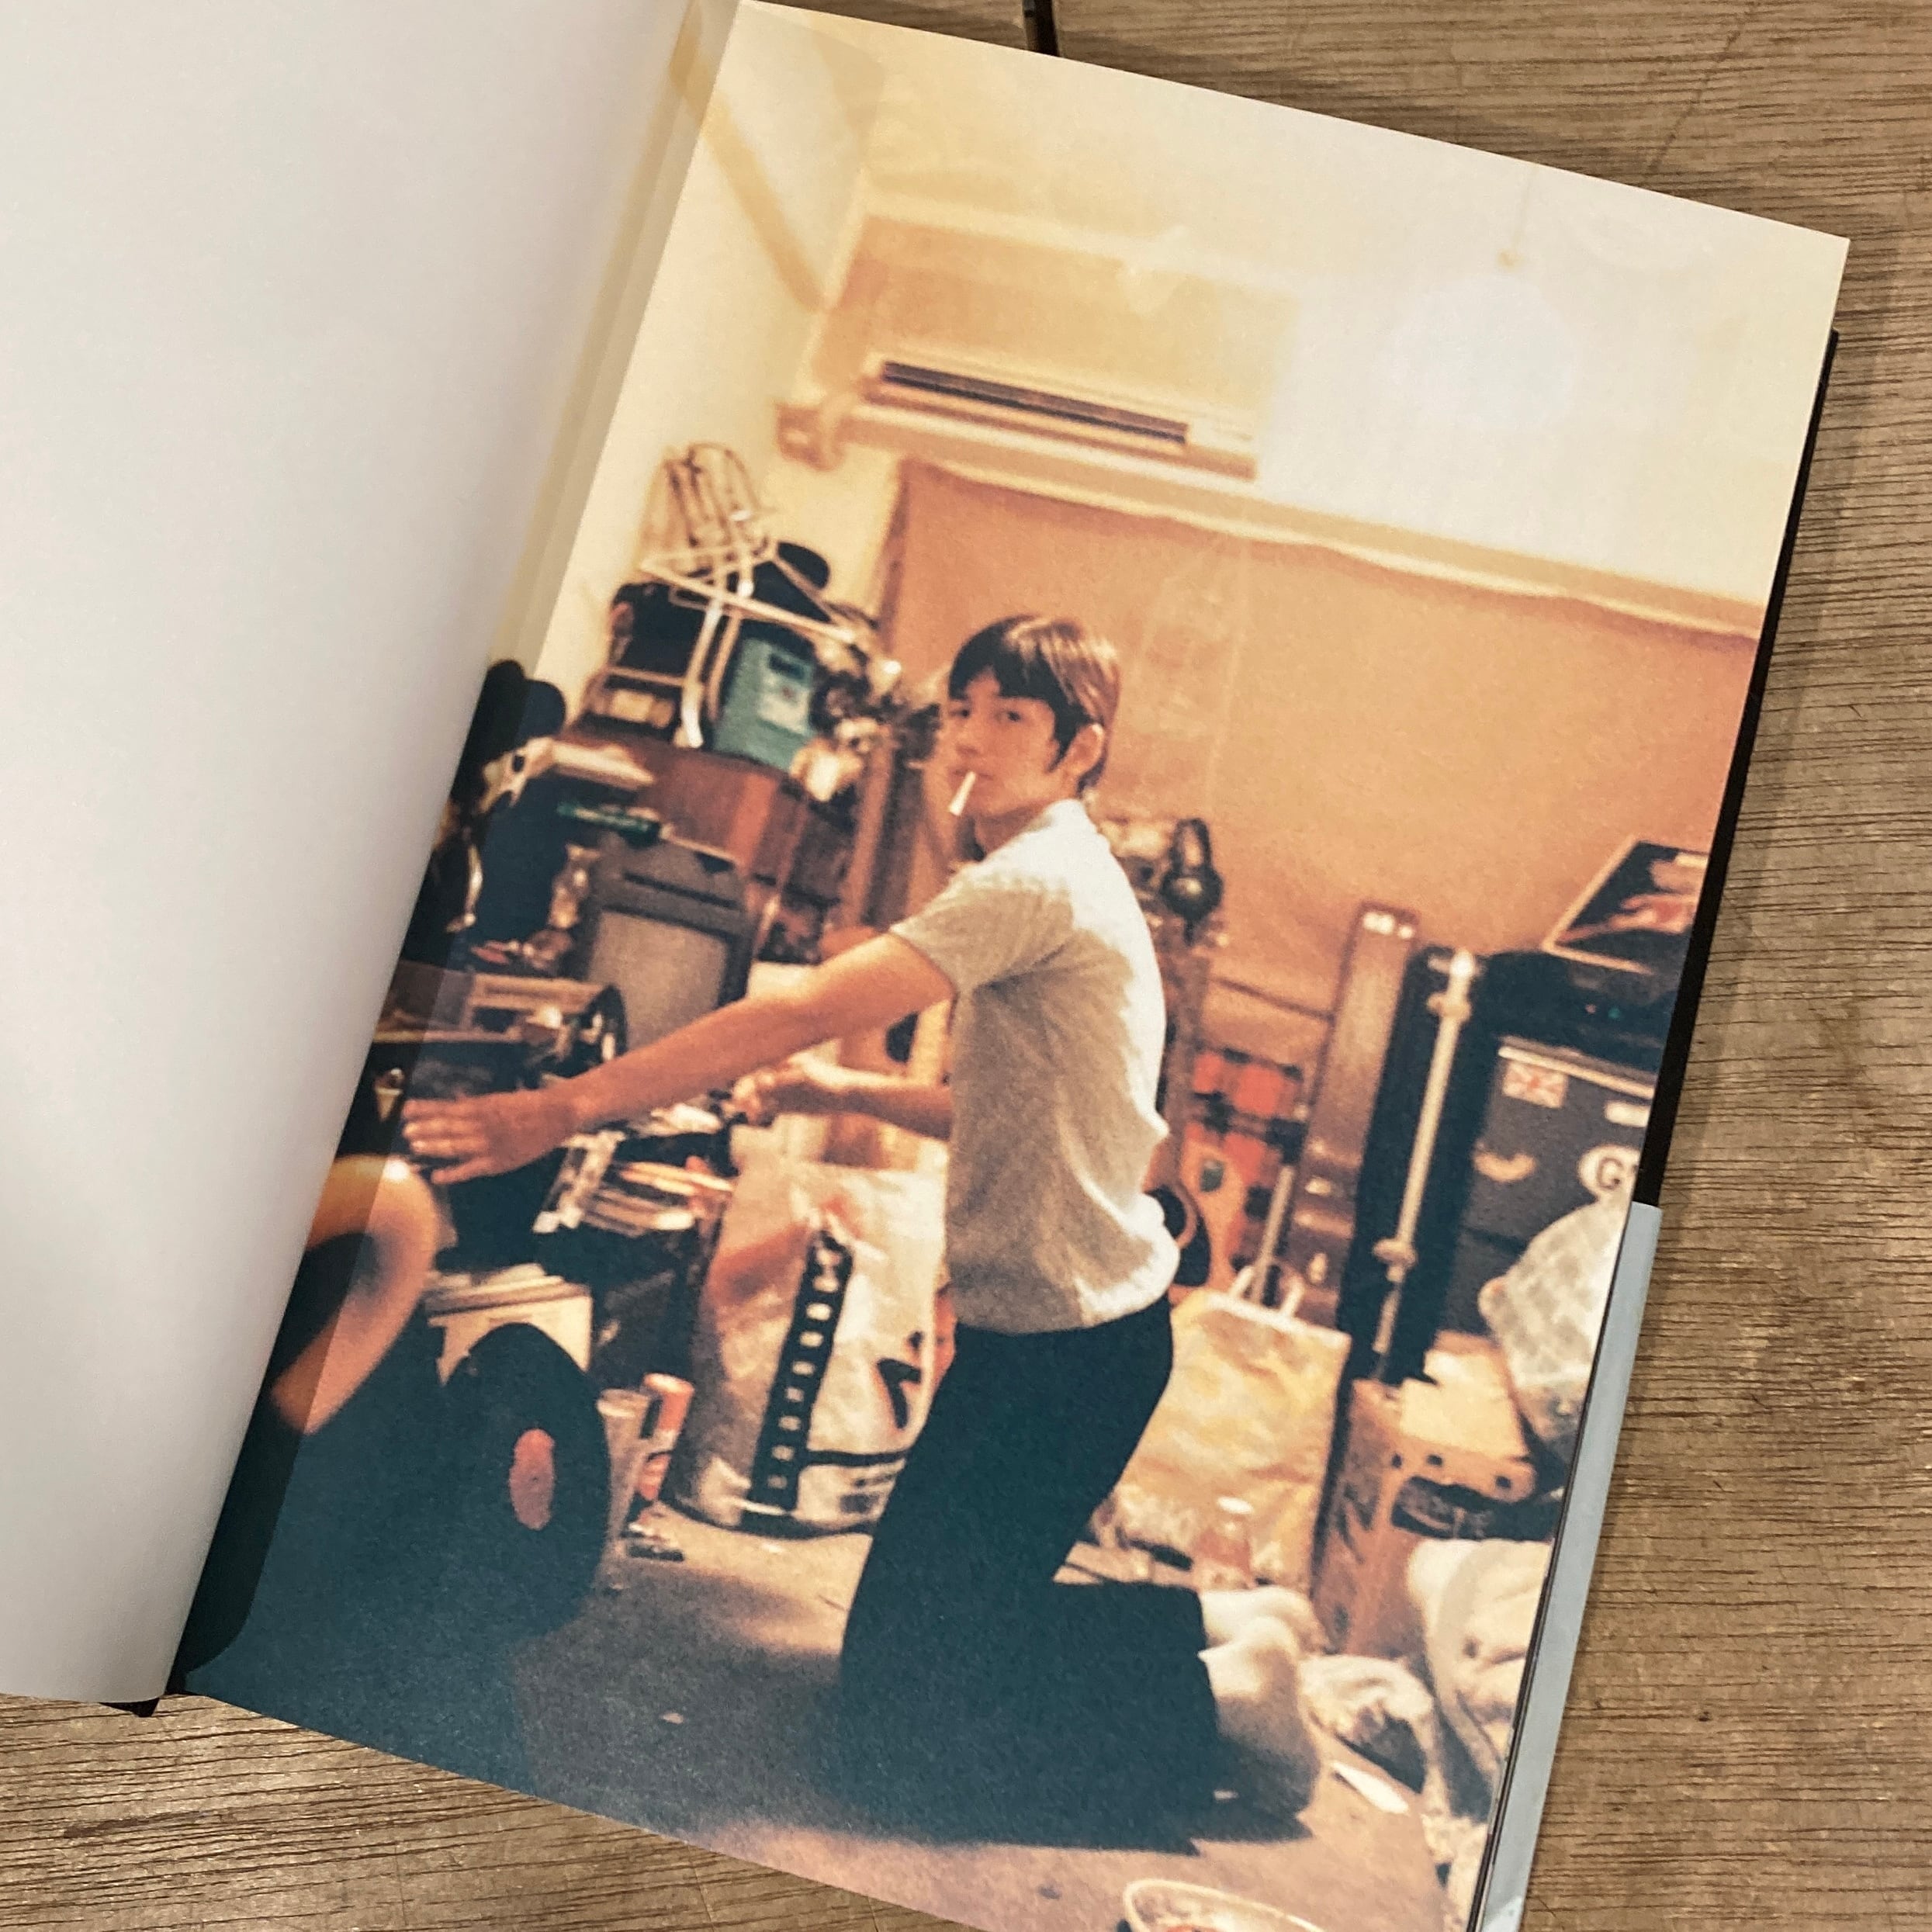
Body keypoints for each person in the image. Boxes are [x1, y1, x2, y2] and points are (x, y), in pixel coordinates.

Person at [402, 615, 1317, 1833]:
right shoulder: (1063, 875)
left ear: (1078, 746)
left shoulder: (1032, 882)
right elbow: (1008, 1104)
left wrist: (560, 1107)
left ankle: (1225, 1702)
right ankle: (1224, 1625)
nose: (969, 742)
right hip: (1063, 1341)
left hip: (1064, 1357)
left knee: (901, 1727)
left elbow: (798, 1009)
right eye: (960, 712)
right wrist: (843, 1093)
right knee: (921, 1648)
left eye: (1010, 718)